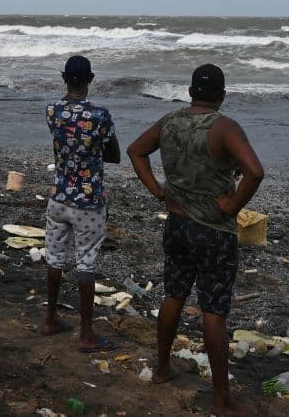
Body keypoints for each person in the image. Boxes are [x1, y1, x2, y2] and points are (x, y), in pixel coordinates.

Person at [126, 64, 264, 417]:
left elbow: (136, 151)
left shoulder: (170, 121)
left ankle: (162, 367)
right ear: (222, 95)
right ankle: (221, 399)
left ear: (190, 92)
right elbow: (255, 171)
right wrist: (232, 205)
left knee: (174, 294)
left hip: (177, 224)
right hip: (213, 231)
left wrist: (158, 191)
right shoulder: (224, 127)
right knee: (213, 312)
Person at [42, 55, 121, 352]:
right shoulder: (99, 115)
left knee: (55, 259)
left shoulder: (53, 110)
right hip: (89, 201)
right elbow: (114, 155)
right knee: (85, 263)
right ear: (91, 79)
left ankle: (50, 319)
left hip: (59, 196)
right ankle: (86, 334)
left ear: (64, 78)